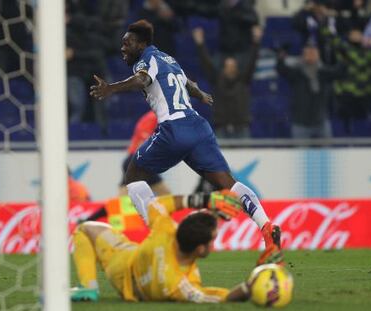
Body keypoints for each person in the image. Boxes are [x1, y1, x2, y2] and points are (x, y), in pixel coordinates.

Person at [90, 20, 281, 255]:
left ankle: (160, 236)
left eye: (127, 44)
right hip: (199, 127)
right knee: (228, 184)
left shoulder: (145, 60)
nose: (123, 49)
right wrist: (200, 94)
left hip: (174, 129)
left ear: (141, 44)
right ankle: (266, 226)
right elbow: (186, 82)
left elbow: (142, 80)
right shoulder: (167, 58)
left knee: (133, 175)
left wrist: (111, 88)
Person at [70, 183, 280, 302]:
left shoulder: (166, 230)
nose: (214, 243)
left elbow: (157, 204)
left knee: (85, 228)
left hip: (122, 259)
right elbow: (216, 297)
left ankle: (89, 287)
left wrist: (204, 200)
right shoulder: (178, 284)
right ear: (200, 249)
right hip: (134, 284)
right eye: (213, 239)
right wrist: (252, 286)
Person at [192, 25, 262, 138]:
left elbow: (252, 62)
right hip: (221, 128)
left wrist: (256, 42)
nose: (231, 68)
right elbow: (206, 64)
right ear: (224, 68)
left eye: (233, 66)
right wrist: (200, 44)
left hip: (241, 128)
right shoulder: (217, 80)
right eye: (228, 66)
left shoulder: (244, 80)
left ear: (237, 68)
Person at [276, 43, 345, 139]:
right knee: (300, 153)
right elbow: (281, 69)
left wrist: (342, 56)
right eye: (308, 53)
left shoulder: (324, 72)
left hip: (321, 122)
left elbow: (340, 72)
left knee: (327, 152)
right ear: (303, 55)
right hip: (300, 123)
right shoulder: (297, 73)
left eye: (314, 53)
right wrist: (281, 56)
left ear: (318, 55)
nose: (311, 55)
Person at [118, 110, 170, 196]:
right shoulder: (152, 118)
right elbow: (143, 144)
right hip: (138, 160)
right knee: (125, 195)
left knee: (125, 194)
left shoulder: (159, 117)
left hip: (141, 161)